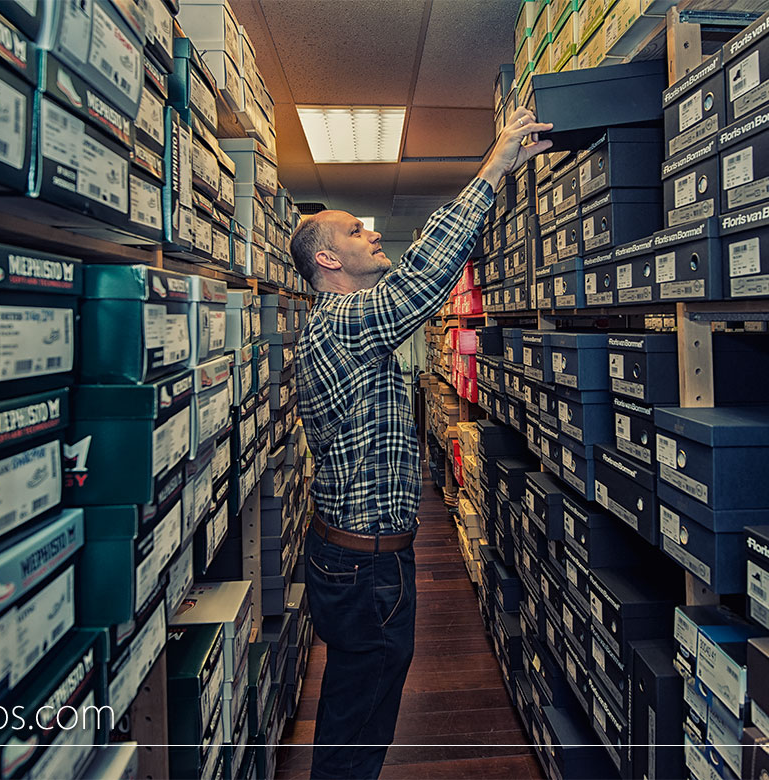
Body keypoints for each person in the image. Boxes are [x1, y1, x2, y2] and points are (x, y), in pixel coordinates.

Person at [287, 106, 553, 779]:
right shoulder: (341, 320)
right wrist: (493, 169)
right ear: (327, 260)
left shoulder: (340, 326)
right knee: (357, 722)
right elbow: (421, 279)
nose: (370, 231)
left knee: (360, 710)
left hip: (360, 560)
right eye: (355, 230)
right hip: (364, 568)